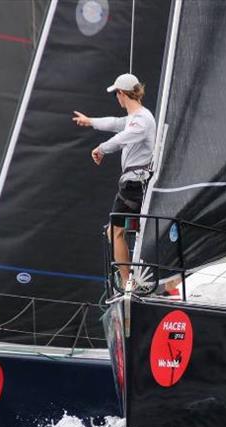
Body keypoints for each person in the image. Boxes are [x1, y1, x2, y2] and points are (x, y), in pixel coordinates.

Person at [72, 73, 156, 287]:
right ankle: (129, 278)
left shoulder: (142, 120)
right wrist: (89, 121)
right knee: (122, 230)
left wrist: (101, 149)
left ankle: (127, 282)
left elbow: (122, 138)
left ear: (121, 93)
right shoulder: (135, 117)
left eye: (116, 94)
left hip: (135, 184)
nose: (116, 98)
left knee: (115, 231)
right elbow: (114, 124)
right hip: (134, 183)